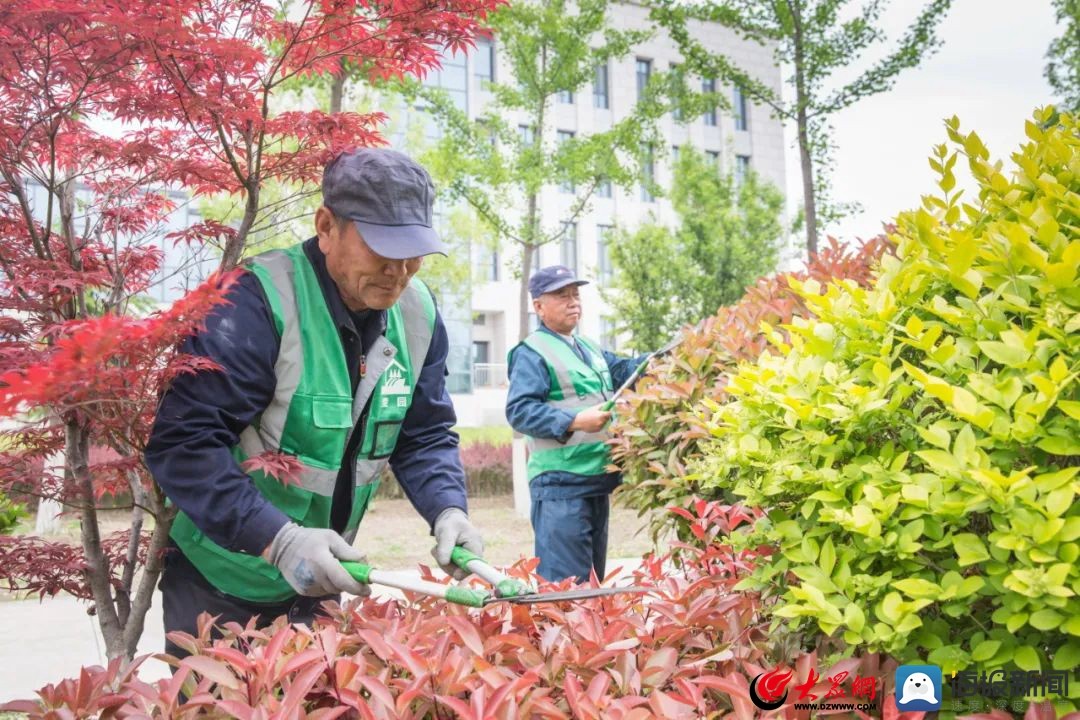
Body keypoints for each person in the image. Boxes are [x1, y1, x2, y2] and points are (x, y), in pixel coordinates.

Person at [145, 148, 484, 656]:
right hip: (221, 582)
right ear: (327, 226)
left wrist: (447, 508)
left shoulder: (418, 316)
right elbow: (183, 443)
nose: (400, 271)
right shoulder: (254, 303)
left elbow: (423, 433)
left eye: (413, 252)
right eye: (381, 248)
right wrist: (276, 539)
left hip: (323, 577)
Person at [505, 265, 650, 583]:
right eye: (562, 296)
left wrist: (663, 358)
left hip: (594, 481)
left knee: (592, 588)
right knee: (567, 592)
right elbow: (520, 411)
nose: (573, 302)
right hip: (561, 485)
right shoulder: (532, 353)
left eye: (575, 295)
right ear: (539, 306)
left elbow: (627, 370)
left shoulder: (588, 348)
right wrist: (574, 421)